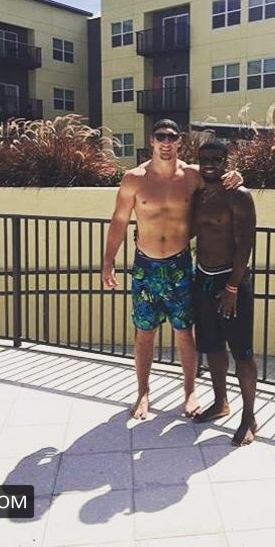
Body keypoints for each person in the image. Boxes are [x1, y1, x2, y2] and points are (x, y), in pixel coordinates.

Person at [101, 119, 242, 420]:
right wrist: (108, 261)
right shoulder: (134, 178)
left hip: (179, 265)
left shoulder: (192, 175)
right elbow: (119, 221)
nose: (166, 142)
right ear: (152, 140)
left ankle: (190, 392)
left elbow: (221, 180)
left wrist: (236, 175)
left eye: (171, 137)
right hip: (145, 267)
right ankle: (143, 392)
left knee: (184, 332)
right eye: (160, 136)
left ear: (179, 141)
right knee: (144, 332)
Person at [192, 138, 258, 446]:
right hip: (203, 278)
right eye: (204, 159)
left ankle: (249, 417)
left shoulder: (238, 195)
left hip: (231, 282)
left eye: (216, 159)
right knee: (212, 346)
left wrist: (232, 287)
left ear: (226, 162)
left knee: (242, 351)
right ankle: (221, 402)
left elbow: (245, 244)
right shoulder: (198, 194)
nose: (210, 164)